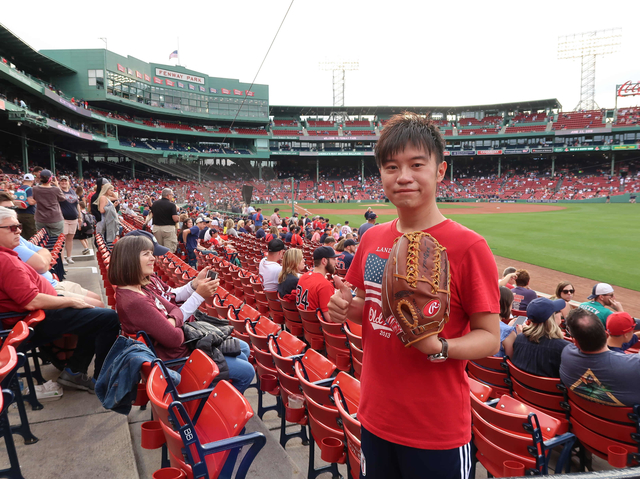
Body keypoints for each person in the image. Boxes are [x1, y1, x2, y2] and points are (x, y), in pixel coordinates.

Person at [327, 112, 500, 479]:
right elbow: (370, 308)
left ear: (440, 171)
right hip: (374, 416)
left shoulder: (469, 246)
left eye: (416, 164)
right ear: (382, 176)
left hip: (436, 430)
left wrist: (440, 348)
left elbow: (489, 337)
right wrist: (345, 307)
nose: (403, 176)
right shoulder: (373, 238)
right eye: (391, 167)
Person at [110, 233, 255, 393]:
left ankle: (212, 400)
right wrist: (182, 312)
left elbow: (172, 307)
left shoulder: (141, 287)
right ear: (129, 259)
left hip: (180, 351)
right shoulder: (135, 301)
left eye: (151, 253)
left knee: (242, 351)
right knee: (247, 370)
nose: (153, 258)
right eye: (146, 254)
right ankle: (204, 409)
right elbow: (175, 338)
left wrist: (171, 321)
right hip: (177, 362)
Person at [0, 206, 119, 392]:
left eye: (19, 226)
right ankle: (100, 380)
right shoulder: (4, 260)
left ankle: (75, 371)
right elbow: (30, 301)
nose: (19, 231)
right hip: (33, 319)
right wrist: (70, 301)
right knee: (108, 318)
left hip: (38, 312)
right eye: (12, 228)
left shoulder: (7, 255)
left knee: (97, 317)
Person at [560, 308, 640, 407]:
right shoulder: (634, 365)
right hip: (625, 422)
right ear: (604, 333)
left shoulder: (566, 353)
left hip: (580, 418)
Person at [510, 297, 569, 378]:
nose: (561, 314)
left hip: (519, 389)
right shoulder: (564, 347)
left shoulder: (519, 338)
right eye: (558, 311)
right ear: (551, 318)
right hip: (549, 390)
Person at [296, 246, 337, 317]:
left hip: (304, 323)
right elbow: (330, 318)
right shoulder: (325, 285)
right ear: (324, 261)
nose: (336, 262)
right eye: (333, 259)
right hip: (317, 326)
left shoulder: (303, 277)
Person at [32, 169, 65, 237]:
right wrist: (57, 185)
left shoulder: (35, 189)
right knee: (56, 241)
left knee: (42, 240)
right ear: (51, 178)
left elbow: (35, 198)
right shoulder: (56, 189)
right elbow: (62, 198)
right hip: (55, 218)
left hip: (40, 219)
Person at [58, 175, 82, 264]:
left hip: (74, 218)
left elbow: (77, 204)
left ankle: (69, 256)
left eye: (65, 181)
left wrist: (79, 216)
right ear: (59, 182)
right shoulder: (59, 191)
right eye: (62, 181)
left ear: (68, 182)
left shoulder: (73, 192)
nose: (64, 182)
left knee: (70, 238)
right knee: (62, 238)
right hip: (63, 218)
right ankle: (62, 258)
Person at [150, 188, 179, 253]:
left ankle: (159, 263)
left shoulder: (155, 203)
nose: (172, 197)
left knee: (159, 249)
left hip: (156, 228)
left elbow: (152, 214)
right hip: (168, 229)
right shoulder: (171, 205)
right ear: (168, 195)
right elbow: (175, 219)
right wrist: (178, 218)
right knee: (168, 251)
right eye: (171, 195)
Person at [496, 286, 517, 358]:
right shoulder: (509, 333)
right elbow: (512, 360)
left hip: (471, 368)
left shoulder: (475, 323)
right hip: (497, 369)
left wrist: (508, 327)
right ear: (507, 305)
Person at [15, 173, 37, 239]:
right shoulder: (29, 189)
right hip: (29, 214)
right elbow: (31, 202)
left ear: (24, 180)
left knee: (22, 235)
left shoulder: (19, 188)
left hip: (19, 213)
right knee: (32, 235)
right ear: (32, 181)